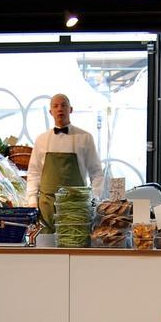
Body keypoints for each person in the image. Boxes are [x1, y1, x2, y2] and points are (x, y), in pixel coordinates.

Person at [25, 94, 105, 231]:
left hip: (76, 208)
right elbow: (34, 173)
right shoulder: (41, 140)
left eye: (63, 105)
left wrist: (94, 199)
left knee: (74, 244)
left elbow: (96, 172)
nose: (60, 109)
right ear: (50, 112)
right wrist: (32, 201)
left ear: (71, 109)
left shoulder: (85, 137)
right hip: (47, 207)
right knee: (47, 248)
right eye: (55, 106)